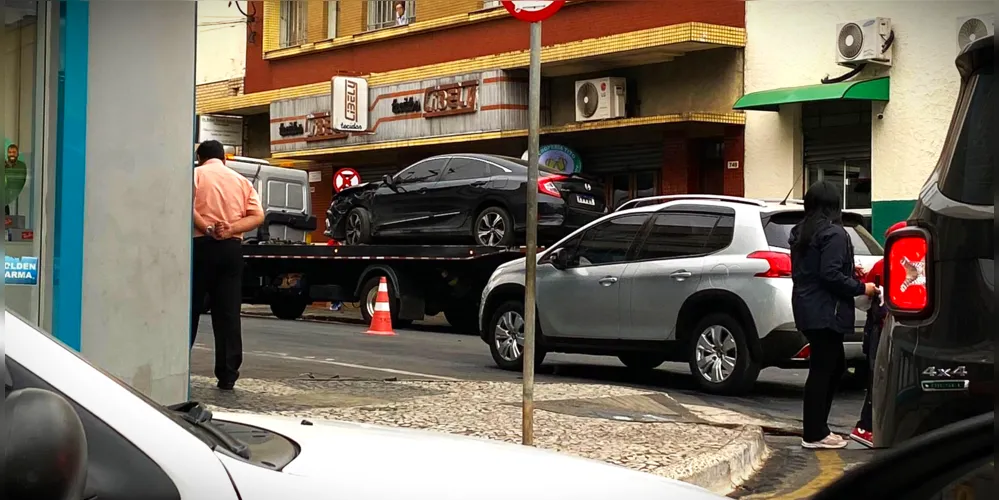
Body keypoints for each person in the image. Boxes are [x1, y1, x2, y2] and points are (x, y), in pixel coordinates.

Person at [789, 180, 878, 449]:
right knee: (824, 369)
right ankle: (815, 433)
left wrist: (849, 274)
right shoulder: (835, 234)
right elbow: (830, 275)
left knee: (831, 366)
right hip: (826, 310)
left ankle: (817, 429)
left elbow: (819, 270)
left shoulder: (800, 231)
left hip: (806, 306)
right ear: (835, 205)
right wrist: (863, 287)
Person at [191, 140, 264, 391]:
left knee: (189, 311)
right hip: (231, 249)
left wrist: (208, 228)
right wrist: (230, 228)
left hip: (200, 247)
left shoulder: (195, 175)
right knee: (228, 313)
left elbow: (186, 208)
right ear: (223, 158)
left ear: (200, 158)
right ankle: (228, 374)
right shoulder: (241, 181)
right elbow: (257, 216)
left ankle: (179, 365)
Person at [850, 220, 907, 447]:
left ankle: (868, 426)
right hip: (899, 333)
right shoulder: (915, 265)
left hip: (880, 331)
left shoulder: (880, 267)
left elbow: (862, 301)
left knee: (879, 378)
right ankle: (867, 426)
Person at [5, 144, 27, 216]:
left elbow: (21, 180)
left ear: (17, 154)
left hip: (19, 197)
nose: (11, 154)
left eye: (14, 152)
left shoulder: (21, 166)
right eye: (10, 152)